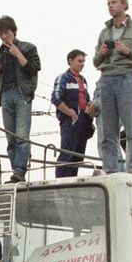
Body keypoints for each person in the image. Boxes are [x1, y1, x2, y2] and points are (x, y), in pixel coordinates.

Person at [94, 0, 132, 174]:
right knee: (108, 129)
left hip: (128, 76)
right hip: (107, 78)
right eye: (108, 3)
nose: (110, 6)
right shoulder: (105, 32)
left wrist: (129, 51)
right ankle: (110, 168)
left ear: (124, 5)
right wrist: (102, 53)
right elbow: (96, 62)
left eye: (114, 3)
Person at [0, 16, 42, 182]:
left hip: (22, 94)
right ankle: (16, 170)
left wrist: (18, 54)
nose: (4, 37)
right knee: (10, 136)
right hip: (5, 94)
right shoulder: (0, 53)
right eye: (0, 34)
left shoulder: (28, 47)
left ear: (13, 31)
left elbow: (33, 69)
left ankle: (20, 169)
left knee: (21, 134)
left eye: (6, 32)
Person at [49, 49, 95, 178]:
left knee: (78, 155)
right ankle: (62, 181)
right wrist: (69, 112)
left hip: (84, 119)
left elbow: (85, 97)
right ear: (70, 60)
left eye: (84, 61)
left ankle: (72, 179)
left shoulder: (83, 79)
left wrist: (90, 105)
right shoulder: (63, 77)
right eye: (79, 61)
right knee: (67, 152)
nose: (82, 64)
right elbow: (56, 97)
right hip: (70, 119)